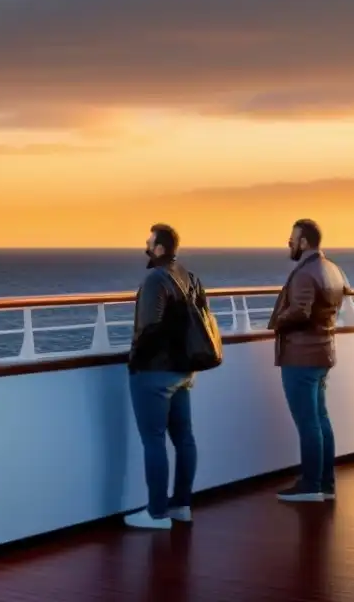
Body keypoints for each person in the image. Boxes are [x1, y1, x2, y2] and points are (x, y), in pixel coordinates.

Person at [123, 223, 201, 529]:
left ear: (158, 249)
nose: (145, 247)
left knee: (153, 440)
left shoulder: (156, 279)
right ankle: (181, 505)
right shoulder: (188, 276)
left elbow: (149, 327)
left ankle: (156, 513)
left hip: (155, 372)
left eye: (148, 242)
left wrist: (135, 362)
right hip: (183, 370)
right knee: (184, 437)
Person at [268, 218, 348, 502]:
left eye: (292, 238)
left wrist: (276, 321)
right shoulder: (332, 269)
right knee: (321, 419)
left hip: (301, 356)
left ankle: (311, 484)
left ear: (304, 242)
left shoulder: (305, 273)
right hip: (323, 352)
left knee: (308, 422)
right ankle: (326, 482)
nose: (288, 242)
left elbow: (301, 311)